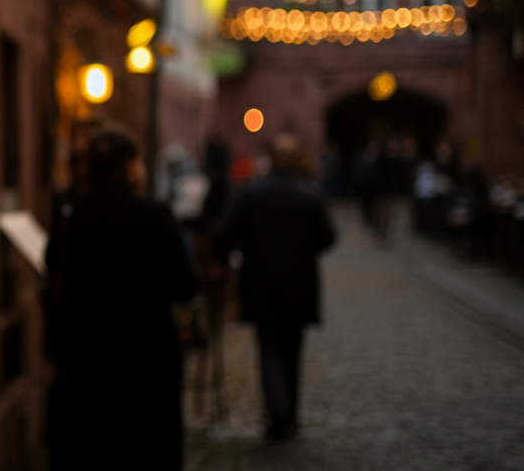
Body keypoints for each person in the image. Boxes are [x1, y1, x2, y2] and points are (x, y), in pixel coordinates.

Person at [46, 129, 197, 470]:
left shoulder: (73, 216)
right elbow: (186, 285)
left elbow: (52, 265)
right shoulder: (154, 215)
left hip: (86, 356)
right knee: (145, 449)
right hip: (147, 357)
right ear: (130, 167)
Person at [213, 134, 336, 442]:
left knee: (268, 348)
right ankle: (289, 414)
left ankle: (278, 412)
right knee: (292, 351)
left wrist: (226, 258)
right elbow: (327, 238)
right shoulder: (310, 196)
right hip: (299, 285)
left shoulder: (252, 195)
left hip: (261, 284)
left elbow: (224, 233)